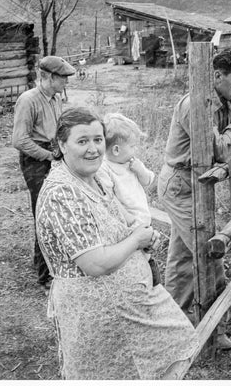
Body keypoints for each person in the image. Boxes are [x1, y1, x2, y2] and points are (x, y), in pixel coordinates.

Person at [36, 108, 198, 380]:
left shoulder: (96, 176)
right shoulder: (61, 193)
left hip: (127, 300)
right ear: (62, 145)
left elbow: (118, 215)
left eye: (98, 140)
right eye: (82, 141)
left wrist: (139, 230)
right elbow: (95, 263)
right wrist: (136, 240)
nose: (93, 149)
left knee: (169, 350)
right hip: (94, 311)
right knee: (107, 374)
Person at [158, 47, 231, 348]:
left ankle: (173, 326)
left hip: (198, 185)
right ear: (217, 76)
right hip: (179, 185)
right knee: (208, 256)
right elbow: (220, 151)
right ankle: (212, 331)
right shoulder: (196, 103)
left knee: (182, 260)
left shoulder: (228, 100)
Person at [12, 56, 76, 288]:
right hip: (36, 160)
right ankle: (45, 275)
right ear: (48, 77)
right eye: (63, 78)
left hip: (52, 154)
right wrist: (48, 156)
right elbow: (19, 139)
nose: (66, 83)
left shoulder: (55, 98)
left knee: (59, 210)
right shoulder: (28, 100)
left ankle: (53, 262)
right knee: (44, 214)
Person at [97, 113, 161, 285]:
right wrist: (131, 224)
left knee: (146, 257)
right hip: (127, 227)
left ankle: (150, 284)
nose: (135, 151)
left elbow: (148, 181)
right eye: (133, 146)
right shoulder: (104, 168)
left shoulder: (132, 163)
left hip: (143, 220)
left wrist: (140, 170)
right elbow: (109, 199)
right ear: (116, 150)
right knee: (135, 263)